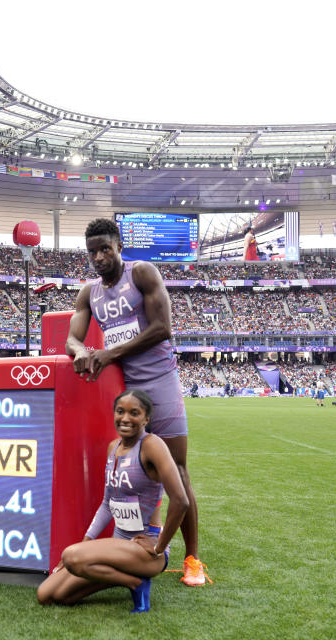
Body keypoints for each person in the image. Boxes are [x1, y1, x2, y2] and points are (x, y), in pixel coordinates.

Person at [65, 217, 207, 587]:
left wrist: (109, 353)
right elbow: (72, 340)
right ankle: (132, 542)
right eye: (92, 251)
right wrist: (81, 350)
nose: (98, 257)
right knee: (125, 473)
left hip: (160, 382)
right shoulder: (88, 293)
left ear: (118, 247)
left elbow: (162, 328)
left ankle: (192, 558)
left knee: (177, 469)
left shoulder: (141, 273)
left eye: (104, 249)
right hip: (125, 391)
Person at [37, 390, 189, 612]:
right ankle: (129, 575)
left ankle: (135, 583)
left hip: (145, 550)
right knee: (49, 595)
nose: (125, 418)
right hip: (119, 546)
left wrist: (159, 546)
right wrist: (86, 542)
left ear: (146, 418)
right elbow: (107, 504)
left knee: (71, 556)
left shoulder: (151, 445)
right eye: (120, 412)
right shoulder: (113, 448)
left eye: (134, 413)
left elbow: (181, 501)